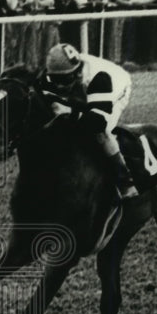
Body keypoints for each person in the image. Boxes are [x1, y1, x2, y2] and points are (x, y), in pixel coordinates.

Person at [41, 42, 137, 201]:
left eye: (64, 80)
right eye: (55, 79)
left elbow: (98, 122)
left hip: (116, 86)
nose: (58, 85)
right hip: (86, 86)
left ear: (77, 72)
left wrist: (71, 113)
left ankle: (125, 181)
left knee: (101, 133)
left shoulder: (100, 78)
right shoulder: (55, 72)